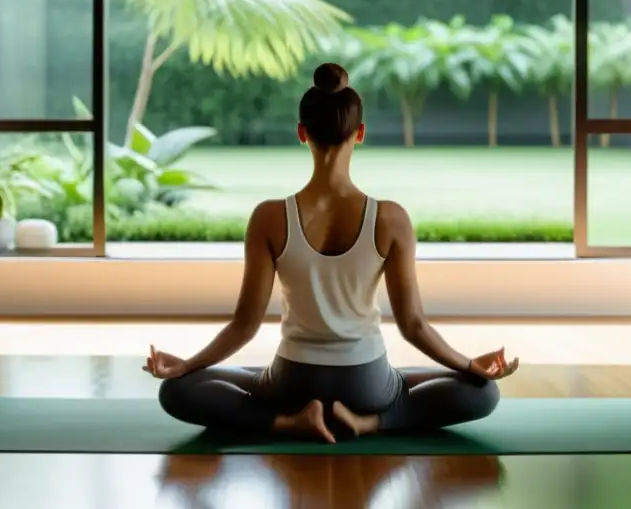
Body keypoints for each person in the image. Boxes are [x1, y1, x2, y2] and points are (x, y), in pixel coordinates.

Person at [143, 62, 519, 443]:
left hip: (292, 381)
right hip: (367, 381)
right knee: (481, 391)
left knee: (178, 390)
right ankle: (368, 422)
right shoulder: (390, 218)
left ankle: (290, 422)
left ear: (302, 134)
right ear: (360, 133)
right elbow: (414, 326)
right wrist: (471, 366)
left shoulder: (269, 217)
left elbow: (245, 325)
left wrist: (188, 365)